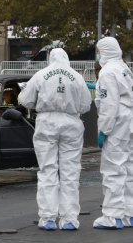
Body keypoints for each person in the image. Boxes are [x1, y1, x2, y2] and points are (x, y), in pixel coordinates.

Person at [18, 48, 91, 230]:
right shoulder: (77, 76)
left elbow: (25, 100)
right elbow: (86, 105)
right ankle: (69, 219)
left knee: (48, 170)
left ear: (50, 58)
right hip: (71, 122)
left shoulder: (41, 74)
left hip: (47, 122)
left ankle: (48, 218)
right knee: (70, 172)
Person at [92, 37, 133, 229]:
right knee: (129, 169)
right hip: (129, 120)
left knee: (113, 169)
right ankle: (129, 213)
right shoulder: (124, 68)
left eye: (98, 51)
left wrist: (104, 131)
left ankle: (113, 216)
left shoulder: (107, 72)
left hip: (117, 123)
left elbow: (109, 106)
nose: (98, 54)